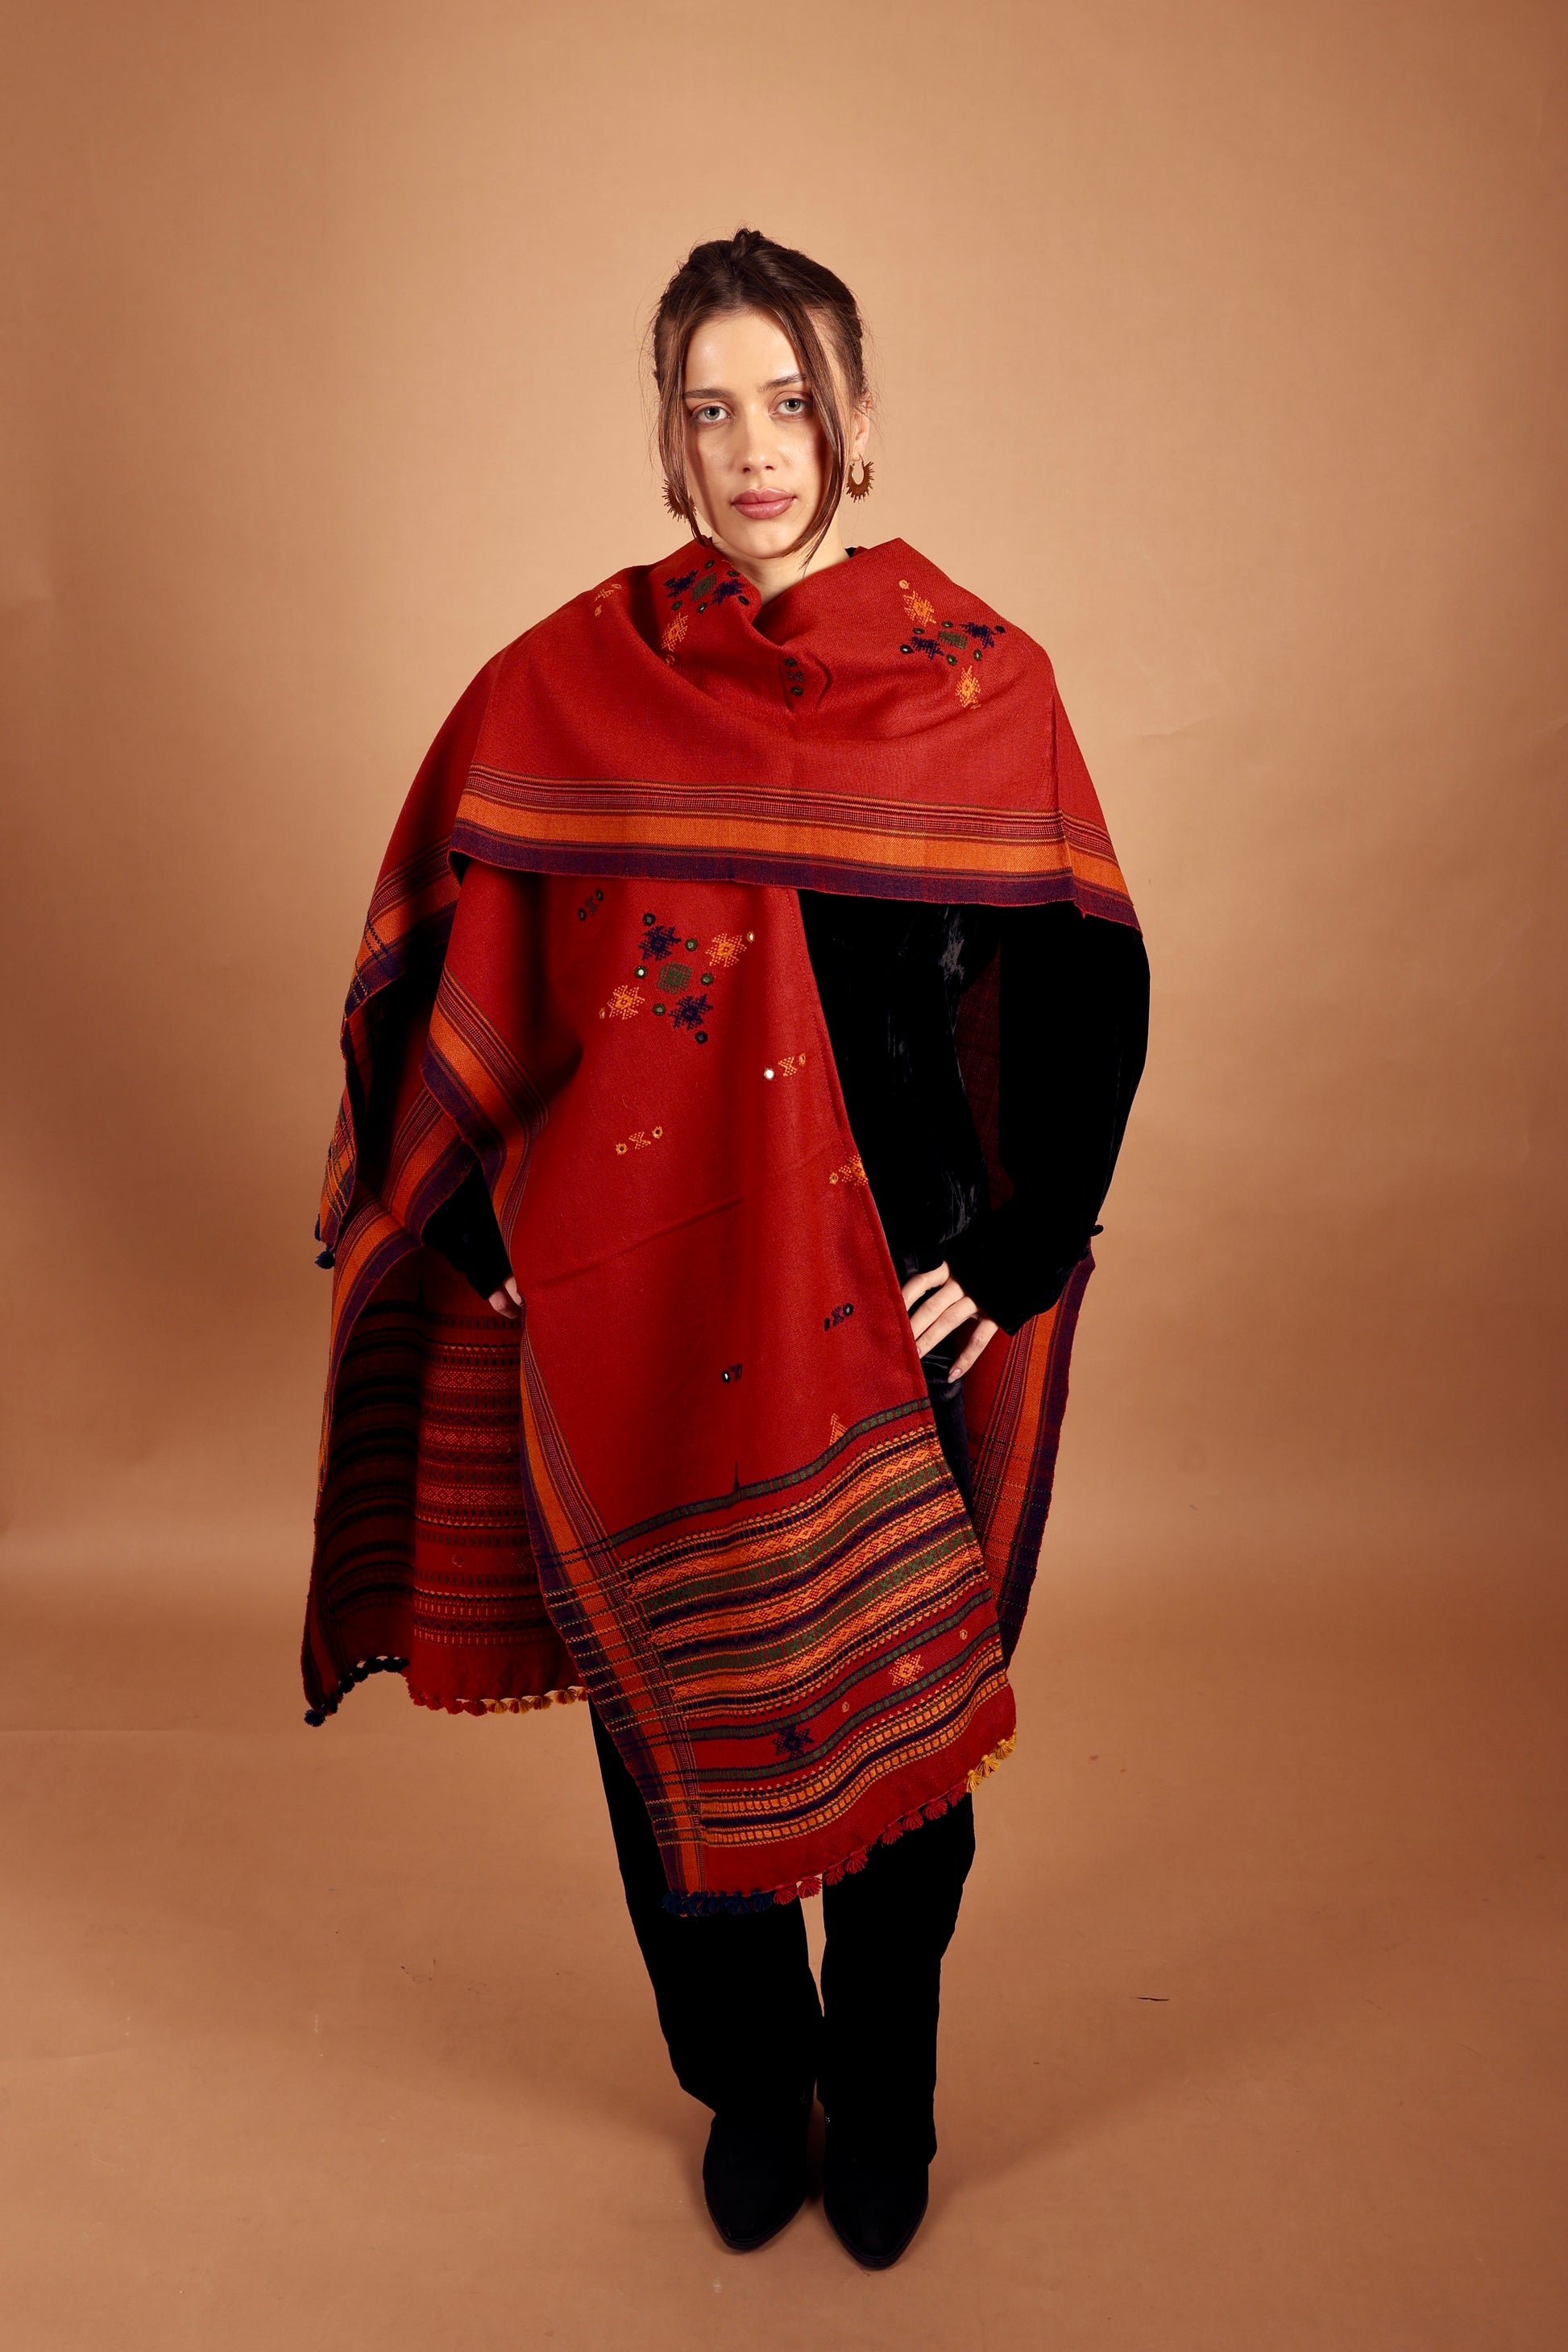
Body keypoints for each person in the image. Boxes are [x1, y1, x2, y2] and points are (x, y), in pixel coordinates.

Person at [302, 228, 1148, 2269]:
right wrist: (479, 1218)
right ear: (668, 441)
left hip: (901, 1296)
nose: (754, 447)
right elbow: (457, 942)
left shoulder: (979, 685)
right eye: (711, 408)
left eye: (791, 401)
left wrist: (1022, 1244)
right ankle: (753, 2085)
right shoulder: (574, 687)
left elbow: (1087, 984)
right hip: (645, 1290)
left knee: (904, 1726)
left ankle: (890, 2093)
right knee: (663, 1712)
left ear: (858, 425)